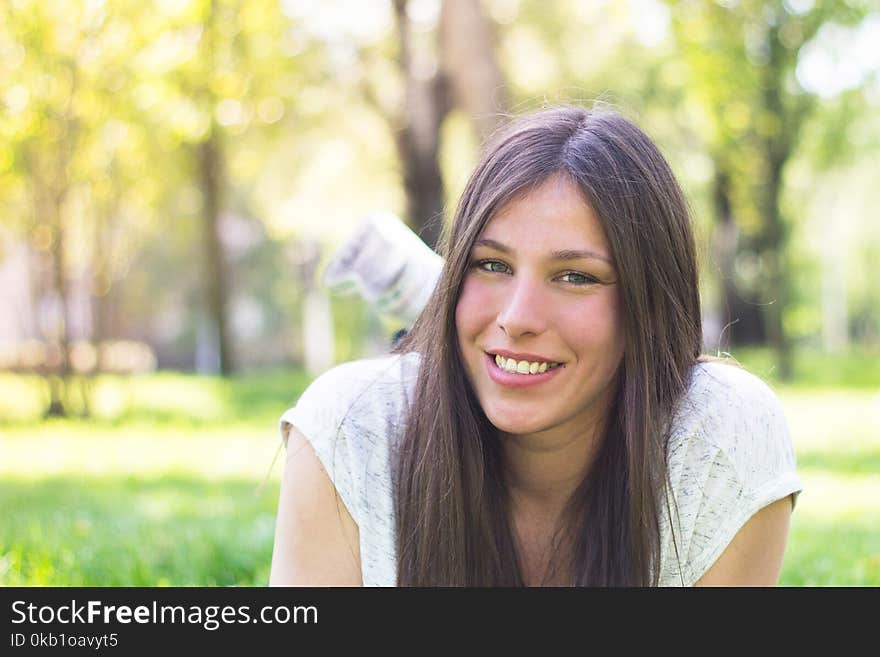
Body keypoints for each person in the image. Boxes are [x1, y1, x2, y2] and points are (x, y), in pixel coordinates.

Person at [269, 105, 802, 586]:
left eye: (575, 276)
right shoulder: (352, 429)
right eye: (491, 265)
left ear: (649, 307)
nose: (517, 317)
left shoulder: (718, 440)